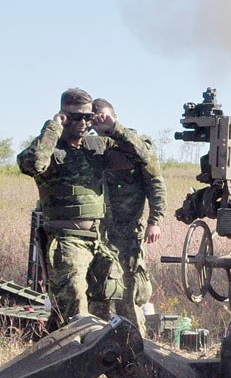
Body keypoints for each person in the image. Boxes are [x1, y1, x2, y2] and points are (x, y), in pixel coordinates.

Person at [17, 88, 153, 332]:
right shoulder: (51, 148)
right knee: (74, 317)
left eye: (87, 117)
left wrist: (115, 128)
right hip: (68, 243)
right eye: (75, 117)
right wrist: (52, 127)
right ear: (63, 116)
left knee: (101, 312)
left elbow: (145, 158)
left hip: (99, 242)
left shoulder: (96, 147)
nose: (82, 123)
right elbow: (33, 163)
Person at [91, 98, 167, 338]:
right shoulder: (92, 146)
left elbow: (155, 183)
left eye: (102, 116)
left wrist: (155, 220)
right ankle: (99, 346)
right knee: (99, 290)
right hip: (99, 232)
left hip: (128, 230)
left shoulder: (136, 144)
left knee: (130, 292)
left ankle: (136, 349)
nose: (99, 121)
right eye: (95, 118)